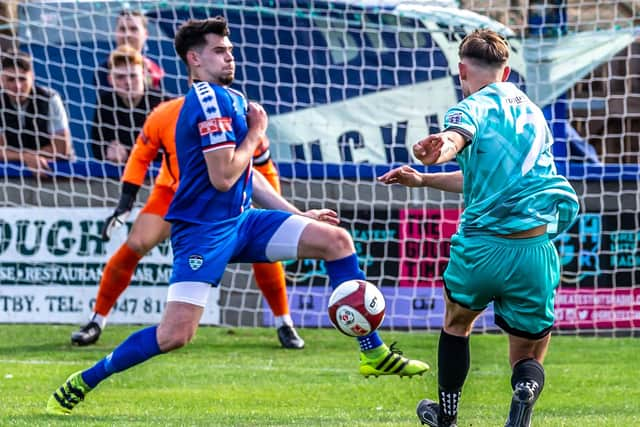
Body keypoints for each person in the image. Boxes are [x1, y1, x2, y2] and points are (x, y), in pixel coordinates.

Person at [47, 16, 429, 416]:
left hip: (242, 221)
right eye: (219, 50)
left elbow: (247, 175)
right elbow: (224, 176)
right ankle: (85, 379)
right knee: (175, 334)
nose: (230, 56)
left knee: (336, 241)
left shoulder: (232, 97)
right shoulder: (207, 100)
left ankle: (373, 352)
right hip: (202, 232)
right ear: (194, 59)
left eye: (230, 49)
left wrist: (300, 213)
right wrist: (255, 132)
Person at [378, 29, 579, 427]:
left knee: (457, 323)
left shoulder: (470, 106)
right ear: (506, 72)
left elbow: (455, 136)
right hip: (532, 249)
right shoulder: (534, 114)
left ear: (461, 70)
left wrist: (441, 148)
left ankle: (447, 417)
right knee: (528, 350)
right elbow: (489, 178)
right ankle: (523, 395)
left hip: (481, 249)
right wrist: (425, 179)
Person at [71, 95, 305, 349]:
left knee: (262, 251)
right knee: (137, 243)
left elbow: (262, 164)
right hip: (174, 194)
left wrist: (278, 209)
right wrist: (125, 202)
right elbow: (141, 155)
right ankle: (96, 320)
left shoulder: (240, 113)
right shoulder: (165, 114)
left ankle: (284, 322)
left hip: (224, 200)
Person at [0, 50, 74, 176]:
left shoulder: (50, 99)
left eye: (22, 79)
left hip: (55, 172)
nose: (17, 86)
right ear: (1, 80)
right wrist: (26, 157)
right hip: (11, 175)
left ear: (32, 77)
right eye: (11, 79)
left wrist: (29, 157)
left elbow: (61, 148)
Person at [91, 44, 164, 163]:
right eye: (120, 77)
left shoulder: (163, 102)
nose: (128, 82)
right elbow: (96, 146)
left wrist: (128, 153)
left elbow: (173, 148)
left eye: (133, 76)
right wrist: (108, 151)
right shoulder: (106, 103)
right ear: (110, 80)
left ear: (144, 75)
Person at [95, 9, 164, 92]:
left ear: (145, 34)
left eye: (133, 29)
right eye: (122, 29)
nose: (127, 34)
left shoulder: (153, 69)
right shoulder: (105, 69)